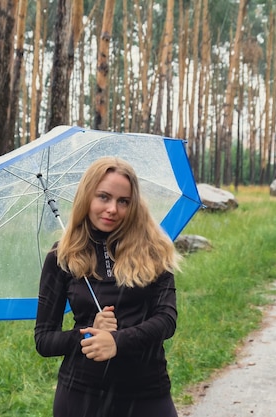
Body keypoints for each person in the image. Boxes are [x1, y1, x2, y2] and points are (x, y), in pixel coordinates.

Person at [35, 156, 180, 417]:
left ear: (133, 204)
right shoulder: (62, 257)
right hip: (82, 397)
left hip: (147, 394)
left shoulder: (154, 251)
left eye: (123, 201)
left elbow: (166, 320)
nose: (112, 208)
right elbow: (44, 340)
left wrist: (117, 341)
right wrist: (86, 333)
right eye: (103, 197)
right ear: (87, 198)